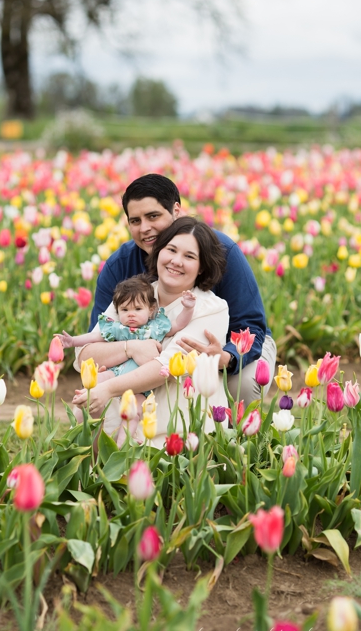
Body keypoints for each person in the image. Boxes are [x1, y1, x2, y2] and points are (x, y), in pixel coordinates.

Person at [78, 173, 274, 402]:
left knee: (243, 384)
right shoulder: (120, 266)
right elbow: (98, 337)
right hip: (147, 348)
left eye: (153, 216)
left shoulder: (221, 251)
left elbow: (250, 326)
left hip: (229, 347)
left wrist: (228, 358)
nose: (145, 228)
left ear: (176, 211)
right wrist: (129, 349)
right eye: (135, 221)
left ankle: (236, 423)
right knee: (97, 385)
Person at [72, 217, 231, 446]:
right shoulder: (134, 294)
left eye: (189, 256)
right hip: (121, 419)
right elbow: (85, 356)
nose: (176, 261)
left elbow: (166, 367)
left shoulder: (210, 309)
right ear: (159, 251)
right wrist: (130, 347)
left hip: (174, 431)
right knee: (86, 412)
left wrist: (106, 388)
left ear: (202, 267)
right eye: (171, 250)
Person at [57, 275, 196, 384]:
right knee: (97, 381)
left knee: (139, 407)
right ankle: (87, 408)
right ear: (117, 311)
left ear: (151, 310)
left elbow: (178, 324)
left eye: (137, 309)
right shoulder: (118, 329)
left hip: (142, 382)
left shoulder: (155, 328)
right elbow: (94, 337)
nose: (131, 314)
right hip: (116, 374)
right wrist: (72, 341)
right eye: (124, 309)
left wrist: (188, 308)